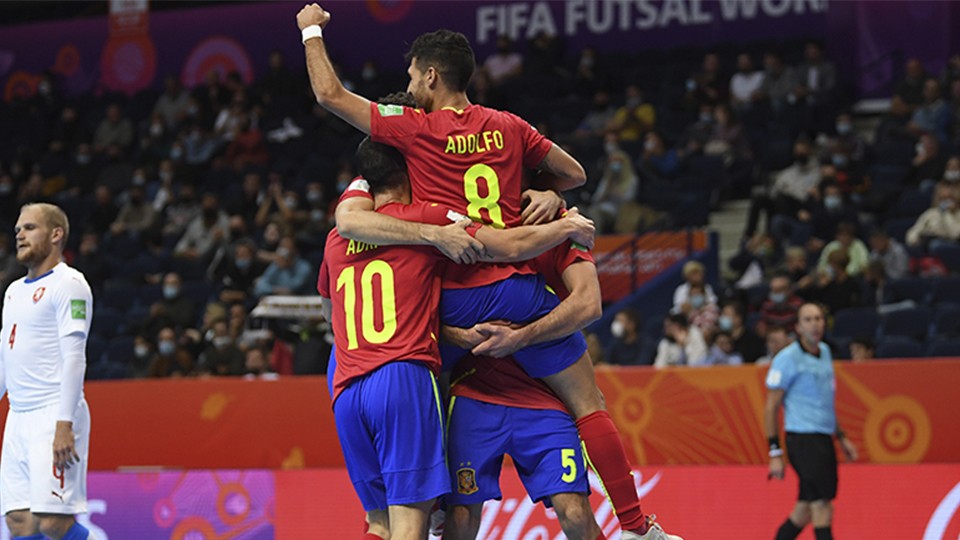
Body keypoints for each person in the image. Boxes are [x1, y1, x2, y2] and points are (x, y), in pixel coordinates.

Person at [296, 8, 679, 537]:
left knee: (421, 371)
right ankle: (637, 527)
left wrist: (310, 29)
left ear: (431, 75)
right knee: (588, 403)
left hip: (450, 299)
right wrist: (547, 197)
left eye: (412, 75)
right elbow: (574, 173)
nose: (410, 85)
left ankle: (430, 506)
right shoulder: (509, 125)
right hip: (517, 287)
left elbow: (329, 95)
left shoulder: (413, 130)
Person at [318, 127, 595, 540]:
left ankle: (437, 505)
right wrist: (565, 225)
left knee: (379, 523)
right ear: (412, 168)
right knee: (410, 525)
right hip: (402, 375)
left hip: (345, 383)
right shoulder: (430, 219)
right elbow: (508, 246)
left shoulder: (337, 236)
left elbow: (330, 314)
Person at [442, 240, 604, 540]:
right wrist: (458, 335)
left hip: (543, 402)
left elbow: (589, 306)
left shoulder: (548, 246)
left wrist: (522, 336)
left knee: (576, 514)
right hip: (474, 396)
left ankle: (634, 523)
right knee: (460, 516)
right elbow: (420, 320)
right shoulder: (460, 246)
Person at [0, 203, 97, 540]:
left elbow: (74, 357)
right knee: (18, 521)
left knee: (54, 522)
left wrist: (64, 424)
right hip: (18, 416)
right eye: (18, 230)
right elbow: (6, 357)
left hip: (53, 411)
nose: (20, 235)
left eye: (29, 228)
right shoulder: (13, 291)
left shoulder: (70, 284)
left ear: (56, 234)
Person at [765, 303, 858, 540]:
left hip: (824, 438)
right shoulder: (787, 359)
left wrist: (841, 437)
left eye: (818, 318)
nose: (814, 324)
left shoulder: (825, 352)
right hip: (803, 439)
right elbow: (771, 407)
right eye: (808, 320)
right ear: (797, 327)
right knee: (822, 506)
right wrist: (775, 452)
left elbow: (826, 401)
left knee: (803, 510)